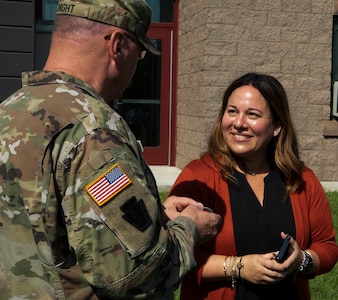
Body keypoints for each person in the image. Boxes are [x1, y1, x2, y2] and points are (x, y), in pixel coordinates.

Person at [0, 0, 221, 299]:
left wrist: (155, 218)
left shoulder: (9, 110)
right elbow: (134, 274)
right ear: (118, 45)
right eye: (140, 52)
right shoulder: (93, 130)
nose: (138, 64)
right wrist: (189, 228)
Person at [168, 72, 338, 300]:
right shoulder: (198, 176)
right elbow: (170, 252)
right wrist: (238, 267)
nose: (238, 123)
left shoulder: (301, 179)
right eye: (232, 112)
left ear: (277, 125)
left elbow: (326, 246)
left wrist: (301, 261)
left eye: (252, 115)